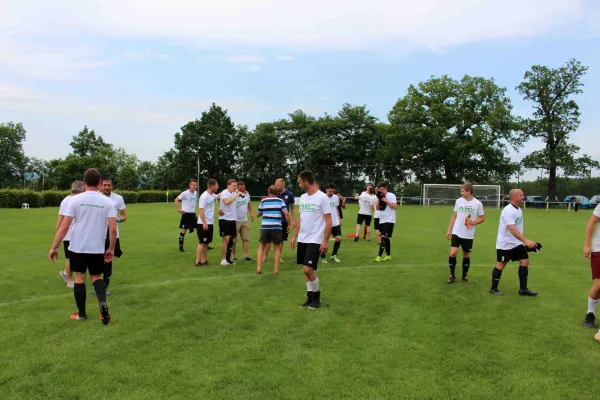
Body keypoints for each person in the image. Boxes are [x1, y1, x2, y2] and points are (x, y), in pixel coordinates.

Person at [48, 168, 116, 324]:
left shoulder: (74, 200)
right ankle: (103, 307)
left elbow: (64, 227)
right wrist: (111, 248)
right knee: (97, 277)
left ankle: (82, 314)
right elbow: (112, 228)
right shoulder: (107, 202)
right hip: (97, 247)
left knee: (79, 277)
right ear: (99, 183)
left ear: (84, 182)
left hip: (77, 247)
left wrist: (54, 247)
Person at [291, 170, 332, 310]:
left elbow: (328, 221)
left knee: (308, 269)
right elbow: (301, 219)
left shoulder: (322, 198)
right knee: (305, 271)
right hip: (303, 237)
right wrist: (295, 236)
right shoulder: (302, 198)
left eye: (300, 182)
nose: (299, 184)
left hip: (316, 239)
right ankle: (309, 297)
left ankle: (317, 298)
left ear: (306, 182)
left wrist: (325, 240)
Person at [490, 189, 538, 296]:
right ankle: (493, 288)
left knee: (525, 261)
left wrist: (525, 242)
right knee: (501, 264)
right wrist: (526, 240)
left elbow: (518, 229)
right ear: (514, 198)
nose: (523, 197)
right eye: (521, 195)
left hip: (516, 243)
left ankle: (523, 289)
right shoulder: (508, 211)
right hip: (505, 244)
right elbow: (512, 229)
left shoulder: (519, 210)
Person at [445, 182, 486, 284]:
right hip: (456, 232)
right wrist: (449, 230)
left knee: (466, 255)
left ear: (469, 191)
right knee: (453, 252)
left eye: (462, 191)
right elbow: (454, 216)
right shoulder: (459, 201)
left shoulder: (477, 204)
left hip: (468, 234)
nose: (461, 193)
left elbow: (482, 218)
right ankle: (452, 275)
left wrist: (473, 222)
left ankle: (464, 276)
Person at [98, 177, 126, 295]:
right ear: (100, 185)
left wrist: (117, 219)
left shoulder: (118, 198)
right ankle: (97, 284)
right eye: (105, 185)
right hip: (98, 233)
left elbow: (124, 215)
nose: (107, 187)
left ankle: (105, 285)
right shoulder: (96, 198)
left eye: (109, 185)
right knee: (98, 259)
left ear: (112, 186)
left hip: (112, 233)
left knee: (109, 260)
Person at [256, 185, 290, 275]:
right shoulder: (280, 201)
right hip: (277, 227)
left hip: (265, 227)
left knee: (261, 247)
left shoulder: (263, 201)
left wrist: (262, 212)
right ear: (277, 192)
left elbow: (258, 214)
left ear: (268, 191)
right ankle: (276, 269)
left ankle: (259, 268)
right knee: (277, 249)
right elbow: (286, 213)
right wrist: (289, 224)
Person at [57, 180, 84, 288]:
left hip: (77, 234)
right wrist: (58, 237)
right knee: (70, 257)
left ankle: (65, 273)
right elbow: (60, 219)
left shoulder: (76, 200)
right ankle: (69, 279)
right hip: (68, 234)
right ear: (79, 190)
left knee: (75, 256)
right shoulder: (67, 201)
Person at [263, 178, 297, 262]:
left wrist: (293, 220)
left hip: (284, 221)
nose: (276, 186)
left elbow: (292, 208)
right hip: (273, 220)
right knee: (269, 240)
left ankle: (278, 257)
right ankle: (264, 257)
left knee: (281, 240)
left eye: (278, 185)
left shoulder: (289, 194)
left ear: (283, 185)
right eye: (275, 184)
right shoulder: (274, 193)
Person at [583, 203, 600, 333]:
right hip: (599, 249)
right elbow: (592, 223)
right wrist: (587, 244)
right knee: (599, 284)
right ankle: (590, 314)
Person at [218, 179, 243, 266]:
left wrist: (237, 194)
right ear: (228, 185)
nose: (235, 188)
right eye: (234, 186)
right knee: (226, 240)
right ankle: (223, 259)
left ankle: (228, 260)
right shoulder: (225, 193)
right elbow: (227, 202)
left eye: (236, 186)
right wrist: (236, 195)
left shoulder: (233, 193)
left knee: (232, 240)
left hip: (232, 219)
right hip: (225, 219)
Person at [195, 179, 219, 267]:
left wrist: (234, 191)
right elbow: (201, 210)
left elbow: (219, 196)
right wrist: (204, 223)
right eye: (216, 185)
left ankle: (203, 260)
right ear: (212, 186)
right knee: (202, 242)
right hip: (203, 223)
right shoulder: (204, 196)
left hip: (210, 223)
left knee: (207, 242)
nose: (217, 187)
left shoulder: (212, 195)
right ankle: (197, 261)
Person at [232, 180, 255, 262]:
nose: (242, 189)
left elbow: (249, 204)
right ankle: (233, 256)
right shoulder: (234, 195)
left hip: (244, 220)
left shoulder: (247, 194)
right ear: (237, 187)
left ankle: (245, 256)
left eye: (243, 187)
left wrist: (251, 213)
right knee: (234, 239)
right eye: (240, 188)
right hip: (236, 220)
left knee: (246, 238)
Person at [374, 182, 397, 262]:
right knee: (386, 238)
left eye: (382, 189)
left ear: (385, 188)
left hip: (390, 220)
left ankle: (379, 256)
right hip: (382, 220)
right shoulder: (380, 197)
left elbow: (395, 207)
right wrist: (378, 199)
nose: (381, 191)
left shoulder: (391, 195)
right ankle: (388, 255)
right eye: (379, 190)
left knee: (383, 237)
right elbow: (377, 208)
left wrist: (386, 201)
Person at [175, 179, 199, 252]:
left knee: (199, 229)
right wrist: (178, 209)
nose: (195, 186)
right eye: (194, 185)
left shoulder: (196, 193)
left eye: (196, 185)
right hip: (186, 214)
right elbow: (176, 199)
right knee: (183, 230)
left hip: (193, 214)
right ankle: (181, 247)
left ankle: (204, 244)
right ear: (190, 185)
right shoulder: (185, 193)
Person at [321, 183, 343, 263]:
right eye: (330, 191)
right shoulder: (322, 198)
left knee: (338, 238)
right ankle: (322, 256)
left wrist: (339, 218)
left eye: (333, 192)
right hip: (325, 223)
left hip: (335, 222)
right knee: (324, 240)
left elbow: (336, 208)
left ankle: (334, 255)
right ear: (326, 189)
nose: (331, 193)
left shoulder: (336, 197)